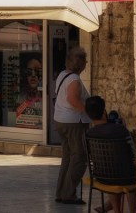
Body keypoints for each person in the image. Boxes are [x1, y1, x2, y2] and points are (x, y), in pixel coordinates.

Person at [85, 95, 136, 213]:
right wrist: (124, 128)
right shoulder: (119, 130)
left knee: (113, 170)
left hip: (102, 177)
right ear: (104, 112)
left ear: (88, 115)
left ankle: (115, 209)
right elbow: (132, 150)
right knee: (127, 175)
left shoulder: (89, 134)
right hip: (126, 177)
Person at [54, 46, 91, 205]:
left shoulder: (63, 75)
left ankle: (61, 192)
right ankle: (68, 194)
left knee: (68, 157)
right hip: (74, 122)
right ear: (81, 63)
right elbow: (73, 100)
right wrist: (91, 113)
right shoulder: (74, 79)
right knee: (79, 158)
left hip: (61, 120)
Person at [15, 55, 42, 128]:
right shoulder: (21, 96)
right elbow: (18, 121)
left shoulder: (46, 97)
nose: (33, 75)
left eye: (37, 71)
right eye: (29, 71)